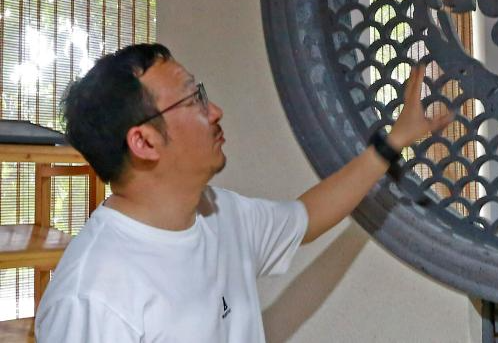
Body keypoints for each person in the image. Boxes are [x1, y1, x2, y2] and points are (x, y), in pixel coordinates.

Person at [34, 43, 449, 342]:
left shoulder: (218, 213)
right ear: (144, 142)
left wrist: (393, 141)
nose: (215, 111)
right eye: (194, 99)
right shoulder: (92, 298)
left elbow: (307, 217)